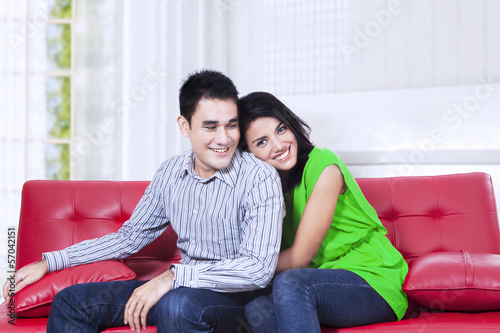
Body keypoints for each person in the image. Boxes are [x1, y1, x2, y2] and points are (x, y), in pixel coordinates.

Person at [2, 70, 285, 333]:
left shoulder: (259, 177)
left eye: (231, 126)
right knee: (72, 301)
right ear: (184, 126)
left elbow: (257, 269)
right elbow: (128, 238)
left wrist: (172, 277)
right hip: (180, 288)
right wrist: (50, 262)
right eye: (210, 127)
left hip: (236, 298)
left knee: (177, 306)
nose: (224, 138)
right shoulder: (171, 173)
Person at [238, 91, 408, 332]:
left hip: (373, 280)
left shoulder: (324, 164)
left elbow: (299, 258)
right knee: (256, 308)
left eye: (281, 129)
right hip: (320, 284)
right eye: (262, 142)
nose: (279, 145)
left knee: (291, 283)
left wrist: (235, 268)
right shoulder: (264, 189)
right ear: (248, 154)